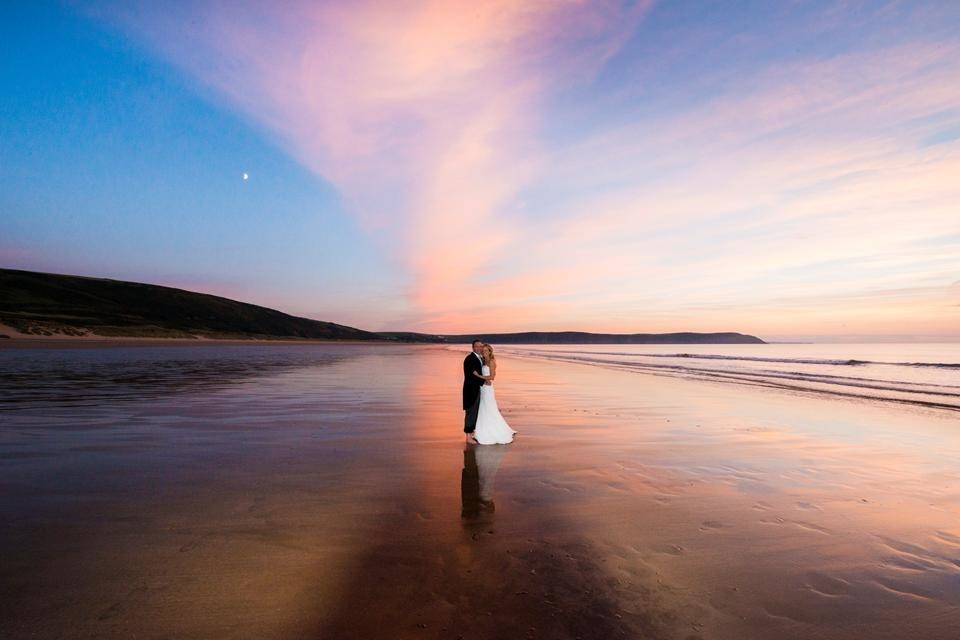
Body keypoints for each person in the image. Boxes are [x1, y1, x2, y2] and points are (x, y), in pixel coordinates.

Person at [471, 343, 517, 445]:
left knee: (489, 407)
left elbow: (492, 377)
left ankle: (491, 429)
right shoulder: (483, 361)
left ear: (490, 351)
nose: (484, 352)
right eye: (483, 351)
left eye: (486, 351)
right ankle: (481, 427)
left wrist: (478, 376)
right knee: (483, 407)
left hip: (487, 388)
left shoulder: (491, 361)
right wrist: (482, 378)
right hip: (482, 387)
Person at [462, 339, 486, 443]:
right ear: (473, 347)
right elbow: (472, 375)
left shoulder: (479, 358)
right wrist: (484, 381)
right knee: (470, 412)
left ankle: (471, 434)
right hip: (471, 390)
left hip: (476, 389)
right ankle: (468, 437)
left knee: (475, 411)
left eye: (481, 346)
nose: (479, 348)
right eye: (477, 346)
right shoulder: (470, 358)